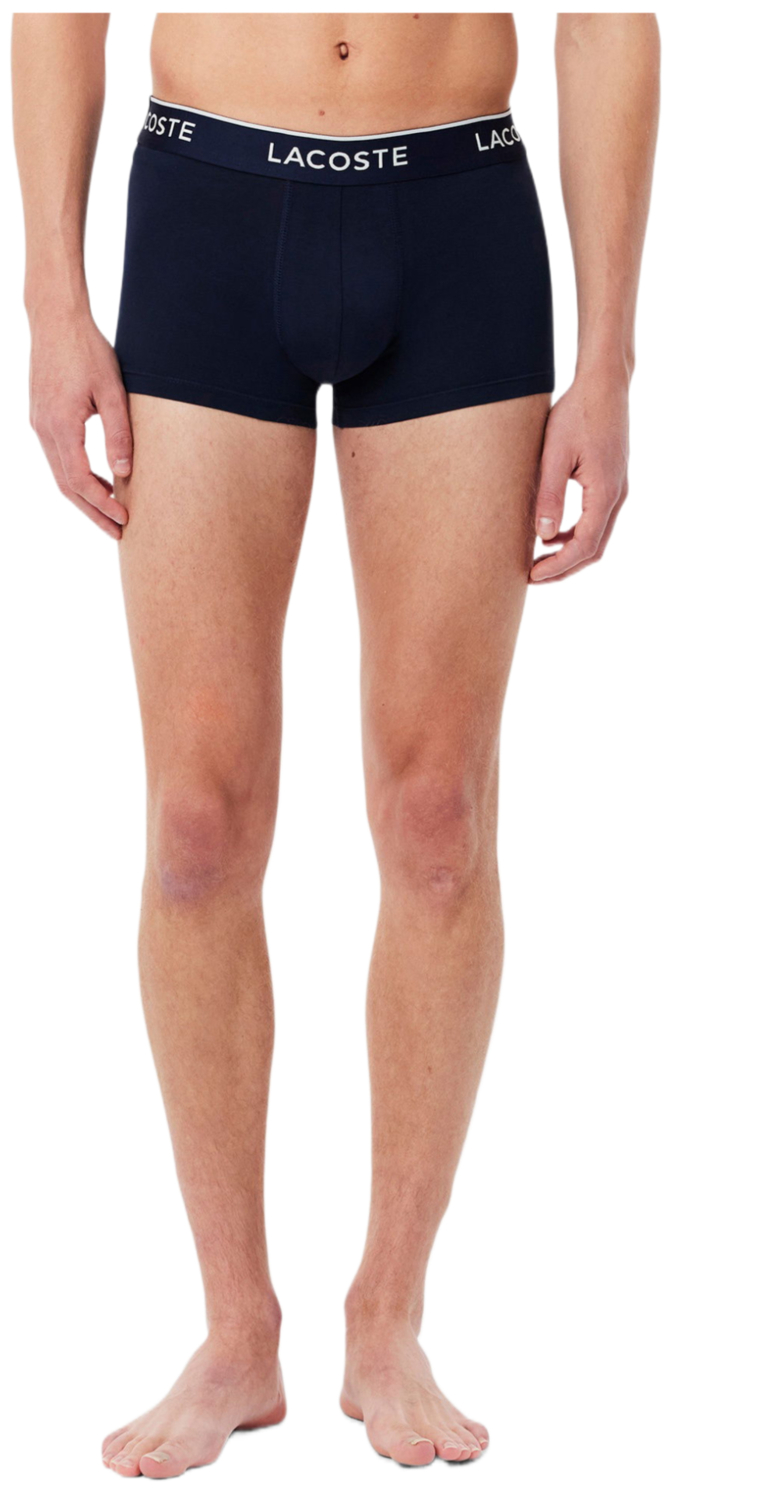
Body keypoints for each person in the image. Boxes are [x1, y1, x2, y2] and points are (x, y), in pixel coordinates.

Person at [12, 11, 660, 1477]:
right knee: (194, 826)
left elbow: (609, 20)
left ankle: (388, 1313)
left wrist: (610, 361)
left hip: (457, 213)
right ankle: (237, 1332)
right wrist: (53, 298)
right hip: (208, 207)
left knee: (438, 817)